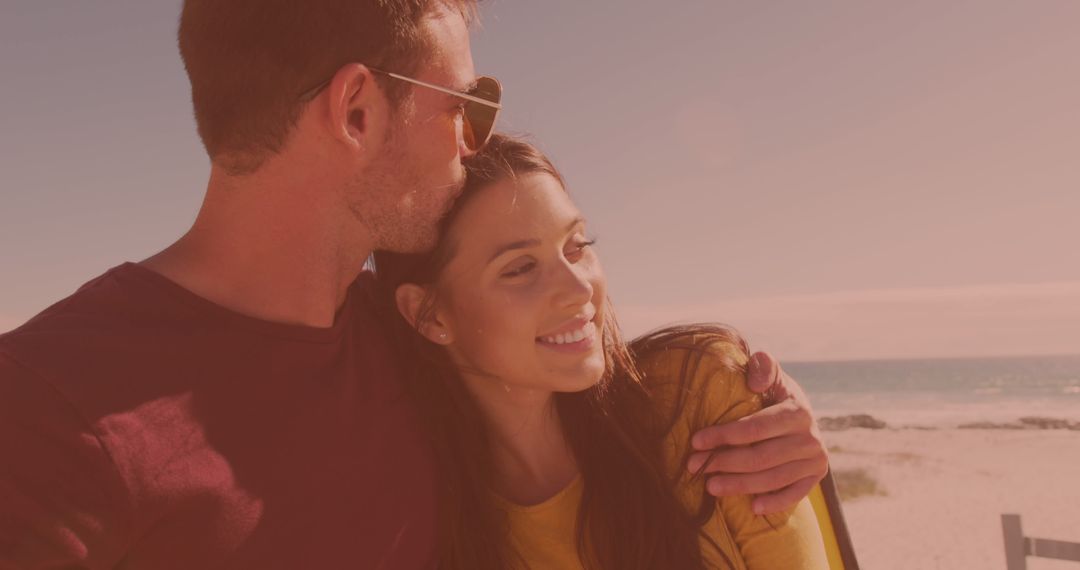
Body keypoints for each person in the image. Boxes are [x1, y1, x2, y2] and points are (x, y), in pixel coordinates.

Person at [0, 1, 826, 568]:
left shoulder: (409, 337)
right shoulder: (50, 407)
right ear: (356, 109)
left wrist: (771, 424)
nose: (474, 142)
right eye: (465, 104)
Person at [373, 134, 829, 569]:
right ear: (429, 315)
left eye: (577, 246)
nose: (578, 289)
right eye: (520, 268)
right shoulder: (428, 527)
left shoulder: (698, 399)